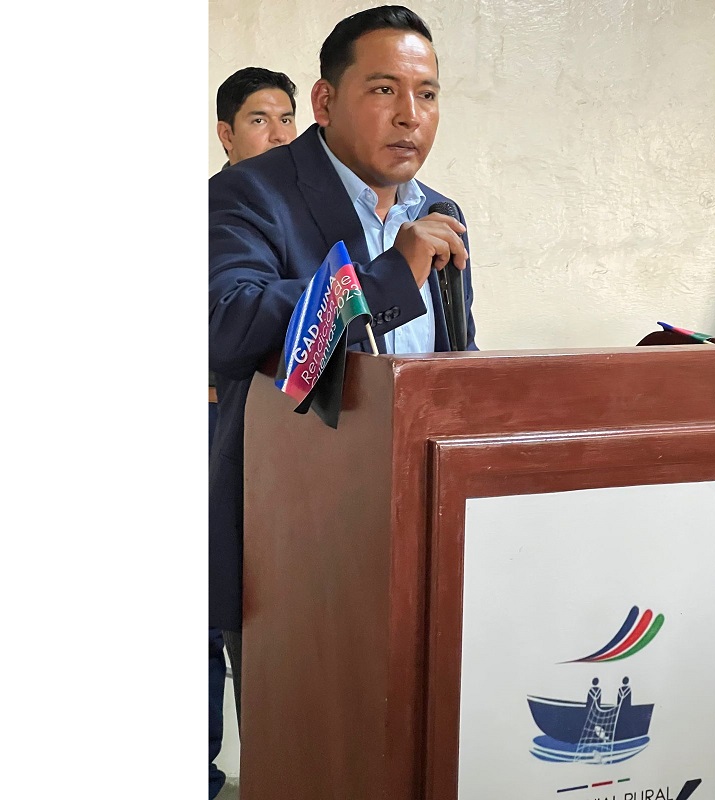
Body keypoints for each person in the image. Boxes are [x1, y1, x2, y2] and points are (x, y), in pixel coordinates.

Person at [208, 2, 478, 780]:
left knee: (411, 758)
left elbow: (452, 358)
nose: (410, 115)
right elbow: (228, 322)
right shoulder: (251, 194)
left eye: (427, 94)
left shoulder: (441, 213)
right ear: (325, 101)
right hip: (295, 547)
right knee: (309, 765)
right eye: (384, 90)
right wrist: (390, 276)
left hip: (421, 538)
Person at [209, 66, 299, 800]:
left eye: (286, 118)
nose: (277, 133)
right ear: (226, 134)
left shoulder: (300, 214)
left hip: (271, 442)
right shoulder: (218, 209)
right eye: (259, 120)